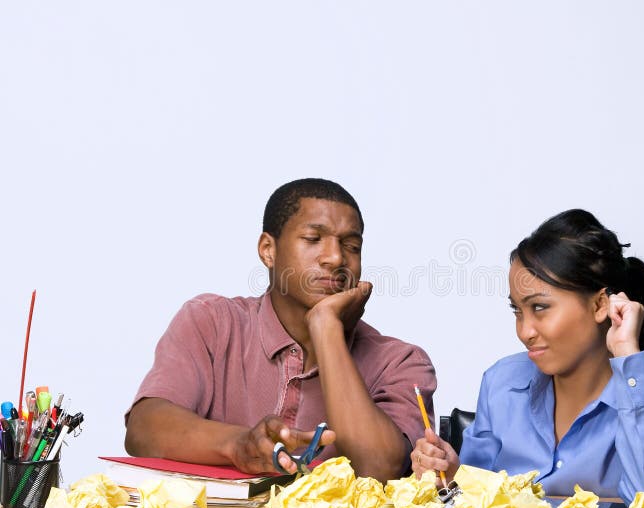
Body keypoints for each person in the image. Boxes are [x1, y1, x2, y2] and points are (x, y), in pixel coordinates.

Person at [125, 178, 437, 482]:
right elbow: (142, 430)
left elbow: (381, 468)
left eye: (351, 245)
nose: (336, 258)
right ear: (268, 250)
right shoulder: (212, 323)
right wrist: (239, 445)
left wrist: (327, 330)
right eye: (313, 239)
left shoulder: (400, 361)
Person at [411, 209, 644, 504]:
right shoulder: (500, 385)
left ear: (600, 305)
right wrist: (450, 478)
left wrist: (627, 354)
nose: (524, 331)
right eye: (518, 311)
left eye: (540, 308)